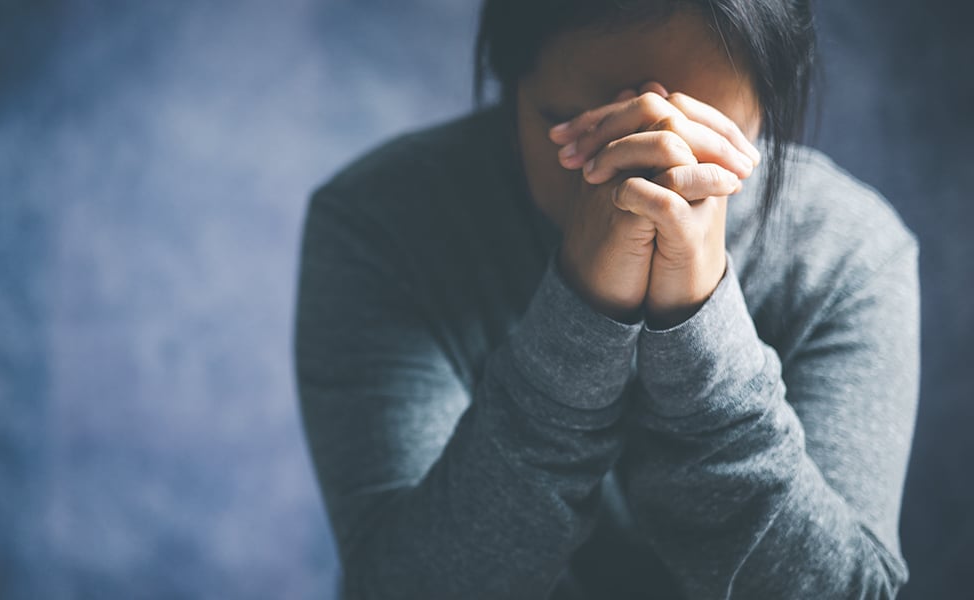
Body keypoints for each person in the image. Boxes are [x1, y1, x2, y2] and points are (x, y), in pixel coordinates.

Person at [293, 1, 919, 598]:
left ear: (769, 102)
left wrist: (700, 327)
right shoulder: (381, 225)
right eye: (584, 137)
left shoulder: (847, 253)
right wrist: (583, 310)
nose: (639, 182)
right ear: (510, 79)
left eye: (700, 140)